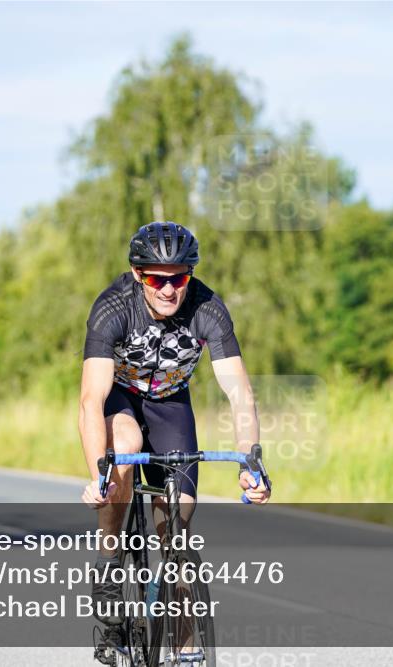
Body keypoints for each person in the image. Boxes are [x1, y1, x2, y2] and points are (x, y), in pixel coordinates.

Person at [78, 221, 269, 623]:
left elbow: (240, 394)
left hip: (170, 405)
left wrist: (253, 462)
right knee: (125, 448)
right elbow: (90, 400)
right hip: (121, 398)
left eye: (178, 278)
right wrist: (100, 471)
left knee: (176, 530)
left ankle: (184, 648)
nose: (168, 289)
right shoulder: (113, 308)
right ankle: (110, 560)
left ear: (190, 275)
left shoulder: (207, 309)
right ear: (137, 275)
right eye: (155, 278)